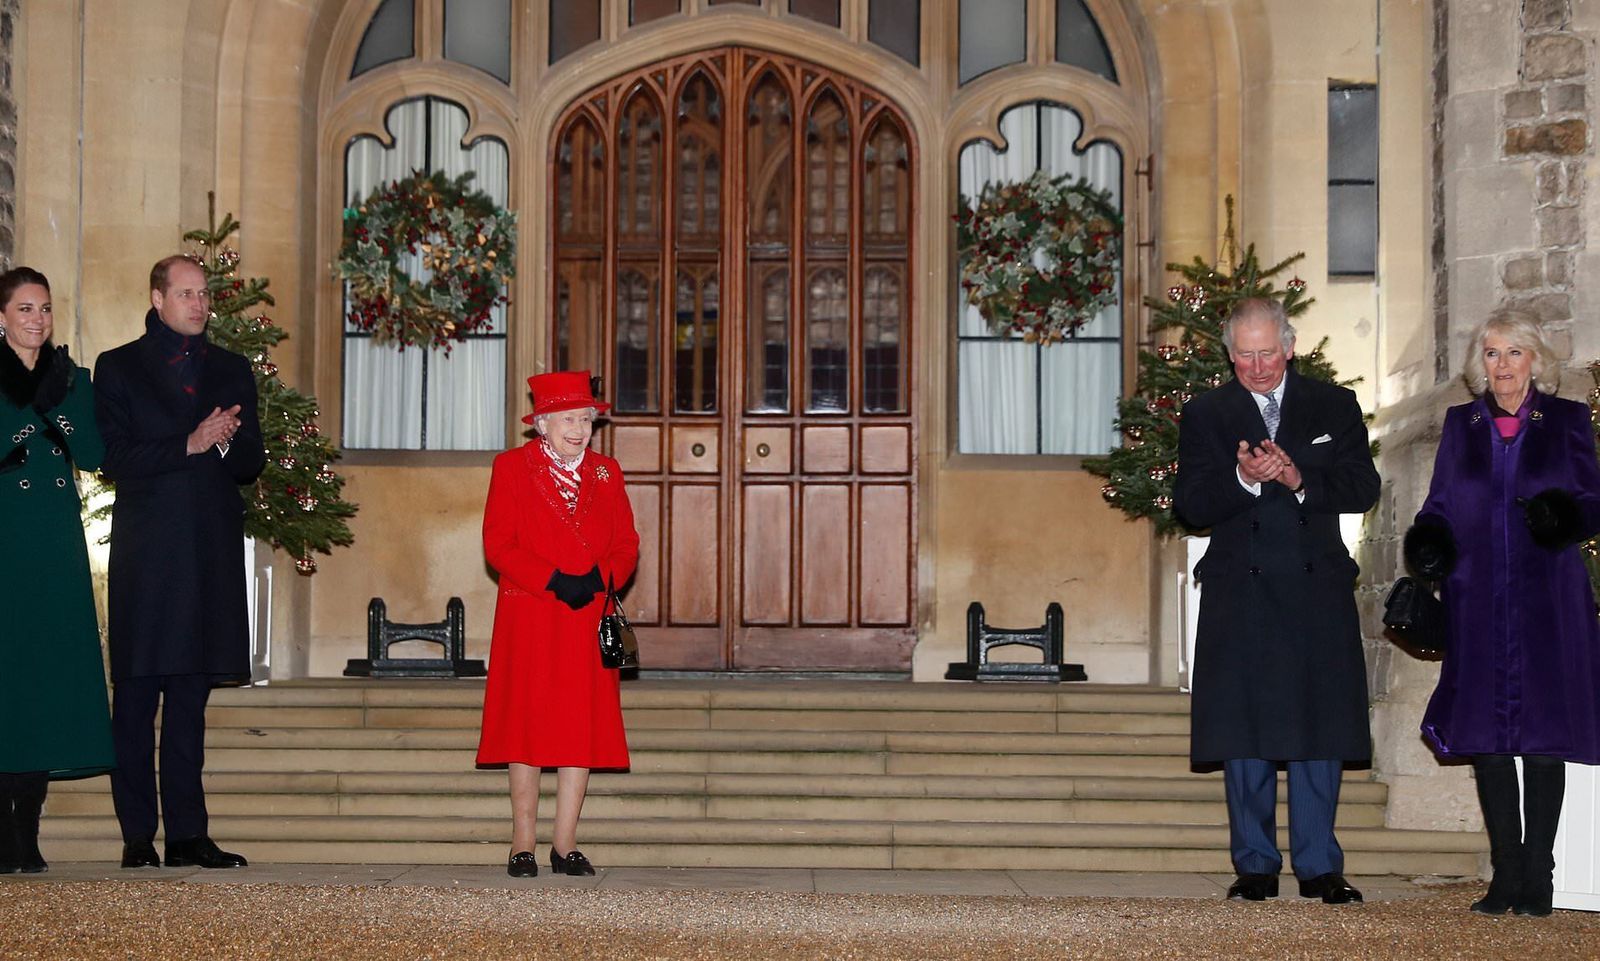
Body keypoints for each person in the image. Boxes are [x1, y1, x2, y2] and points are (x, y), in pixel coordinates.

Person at [1172, 298, 1379, 904]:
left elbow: (1363, 487)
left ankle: (1320, 864)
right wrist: (1244, 481)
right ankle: (1255, 863)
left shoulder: (1333, 405)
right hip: (1243, 590)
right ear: (1229, 354)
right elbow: (1192, 503)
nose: (1258, 366)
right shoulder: (1207, 413)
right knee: (1244, 731)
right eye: (1245, 354)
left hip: (1316, 588)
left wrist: (1296, 480)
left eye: (1268, 352)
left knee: (1319, 728)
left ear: (1289, 347)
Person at [1404, 310, 1600, 917]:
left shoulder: (1566, 419)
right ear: (1479, 364)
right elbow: (1439, 503)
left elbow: (1593, 501)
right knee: (1488, 739)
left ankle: (1539, 875)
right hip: (1477, 594)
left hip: (1548, 598)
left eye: (1515, 353)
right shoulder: (1461, 424)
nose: (1504, 365)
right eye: (1492, 353)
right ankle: (1505, 871)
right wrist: (1429, 542)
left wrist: (1565, 517)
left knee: (1544, 737)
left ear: (1536, 361)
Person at [93, 255, 265, 869]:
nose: (199, 304)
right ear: (158, 298)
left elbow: (250, 463)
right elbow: (111, 457)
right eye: (187, 293)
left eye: (204, 294)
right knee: (137, 699)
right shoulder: (117, 367)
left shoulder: (231, 368)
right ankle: (138, 835)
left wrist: (221, 440)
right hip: (148, 554)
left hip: (209, 553)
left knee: (190, 700)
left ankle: (188, 834)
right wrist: (188, 441)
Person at [476, 370, 640, 878]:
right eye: (568, 418)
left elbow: (627, 544)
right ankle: (521, 843)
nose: (579, 428)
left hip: (586, 616)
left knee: (578, 729)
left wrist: (598, 578)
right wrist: (552, 579)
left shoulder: (607, 472)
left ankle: (565, 844)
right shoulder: (511, 468)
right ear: (542, 423)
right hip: (530, 614)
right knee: (525, 727)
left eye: (586, 419)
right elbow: (498, 545)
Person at [0, 267, 113, 874]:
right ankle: (2, 830)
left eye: (44, 308)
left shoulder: (73, 379)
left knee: (46, 680)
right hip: (4, 538)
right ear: (2, 316)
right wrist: (24, 423)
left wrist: (60, 416)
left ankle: (30, 830)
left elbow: (94, 454)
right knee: (8, 678)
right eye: (24, 309)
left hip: (56, 541)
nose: (36, 319)